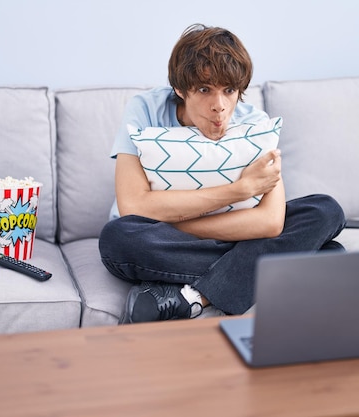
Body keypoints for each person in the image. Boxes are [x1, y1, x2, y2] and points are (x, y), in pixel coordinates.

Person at [99, 24, 345, 324]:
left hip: (196, 236)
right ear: (179, 88)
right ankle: (280, 263)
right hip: (167, 237)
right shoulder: (145, 110)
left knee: (324, 210)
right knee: (118, 238)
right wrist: (238, 192)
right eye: (204, 90)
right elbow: (133, 207)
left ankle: (194, 297)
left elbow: (269, 221)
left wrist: (180, 222)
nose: (219, 106)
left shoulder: (254, 123)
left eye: (229, 91)